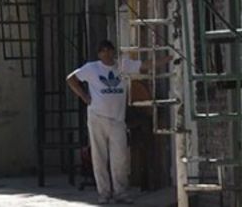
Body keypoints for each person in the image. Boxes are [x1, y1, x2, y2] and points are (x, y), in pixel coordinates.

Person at [67, 40, 170, 204]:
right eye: (103, 51)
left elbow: (145, 65)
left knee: (120, 157)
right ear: (99, 54)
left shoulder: (122, 65)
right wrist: (84, 97)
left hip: (117, 119)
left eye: (109, 50)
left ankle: (120, 192)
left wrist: (168, 58)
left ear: (113, 52)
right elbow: (71, 79)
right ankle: (104, 193)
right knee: (99, 157)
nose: (106, 54)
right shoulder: (91, 68)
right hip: (97, 117)